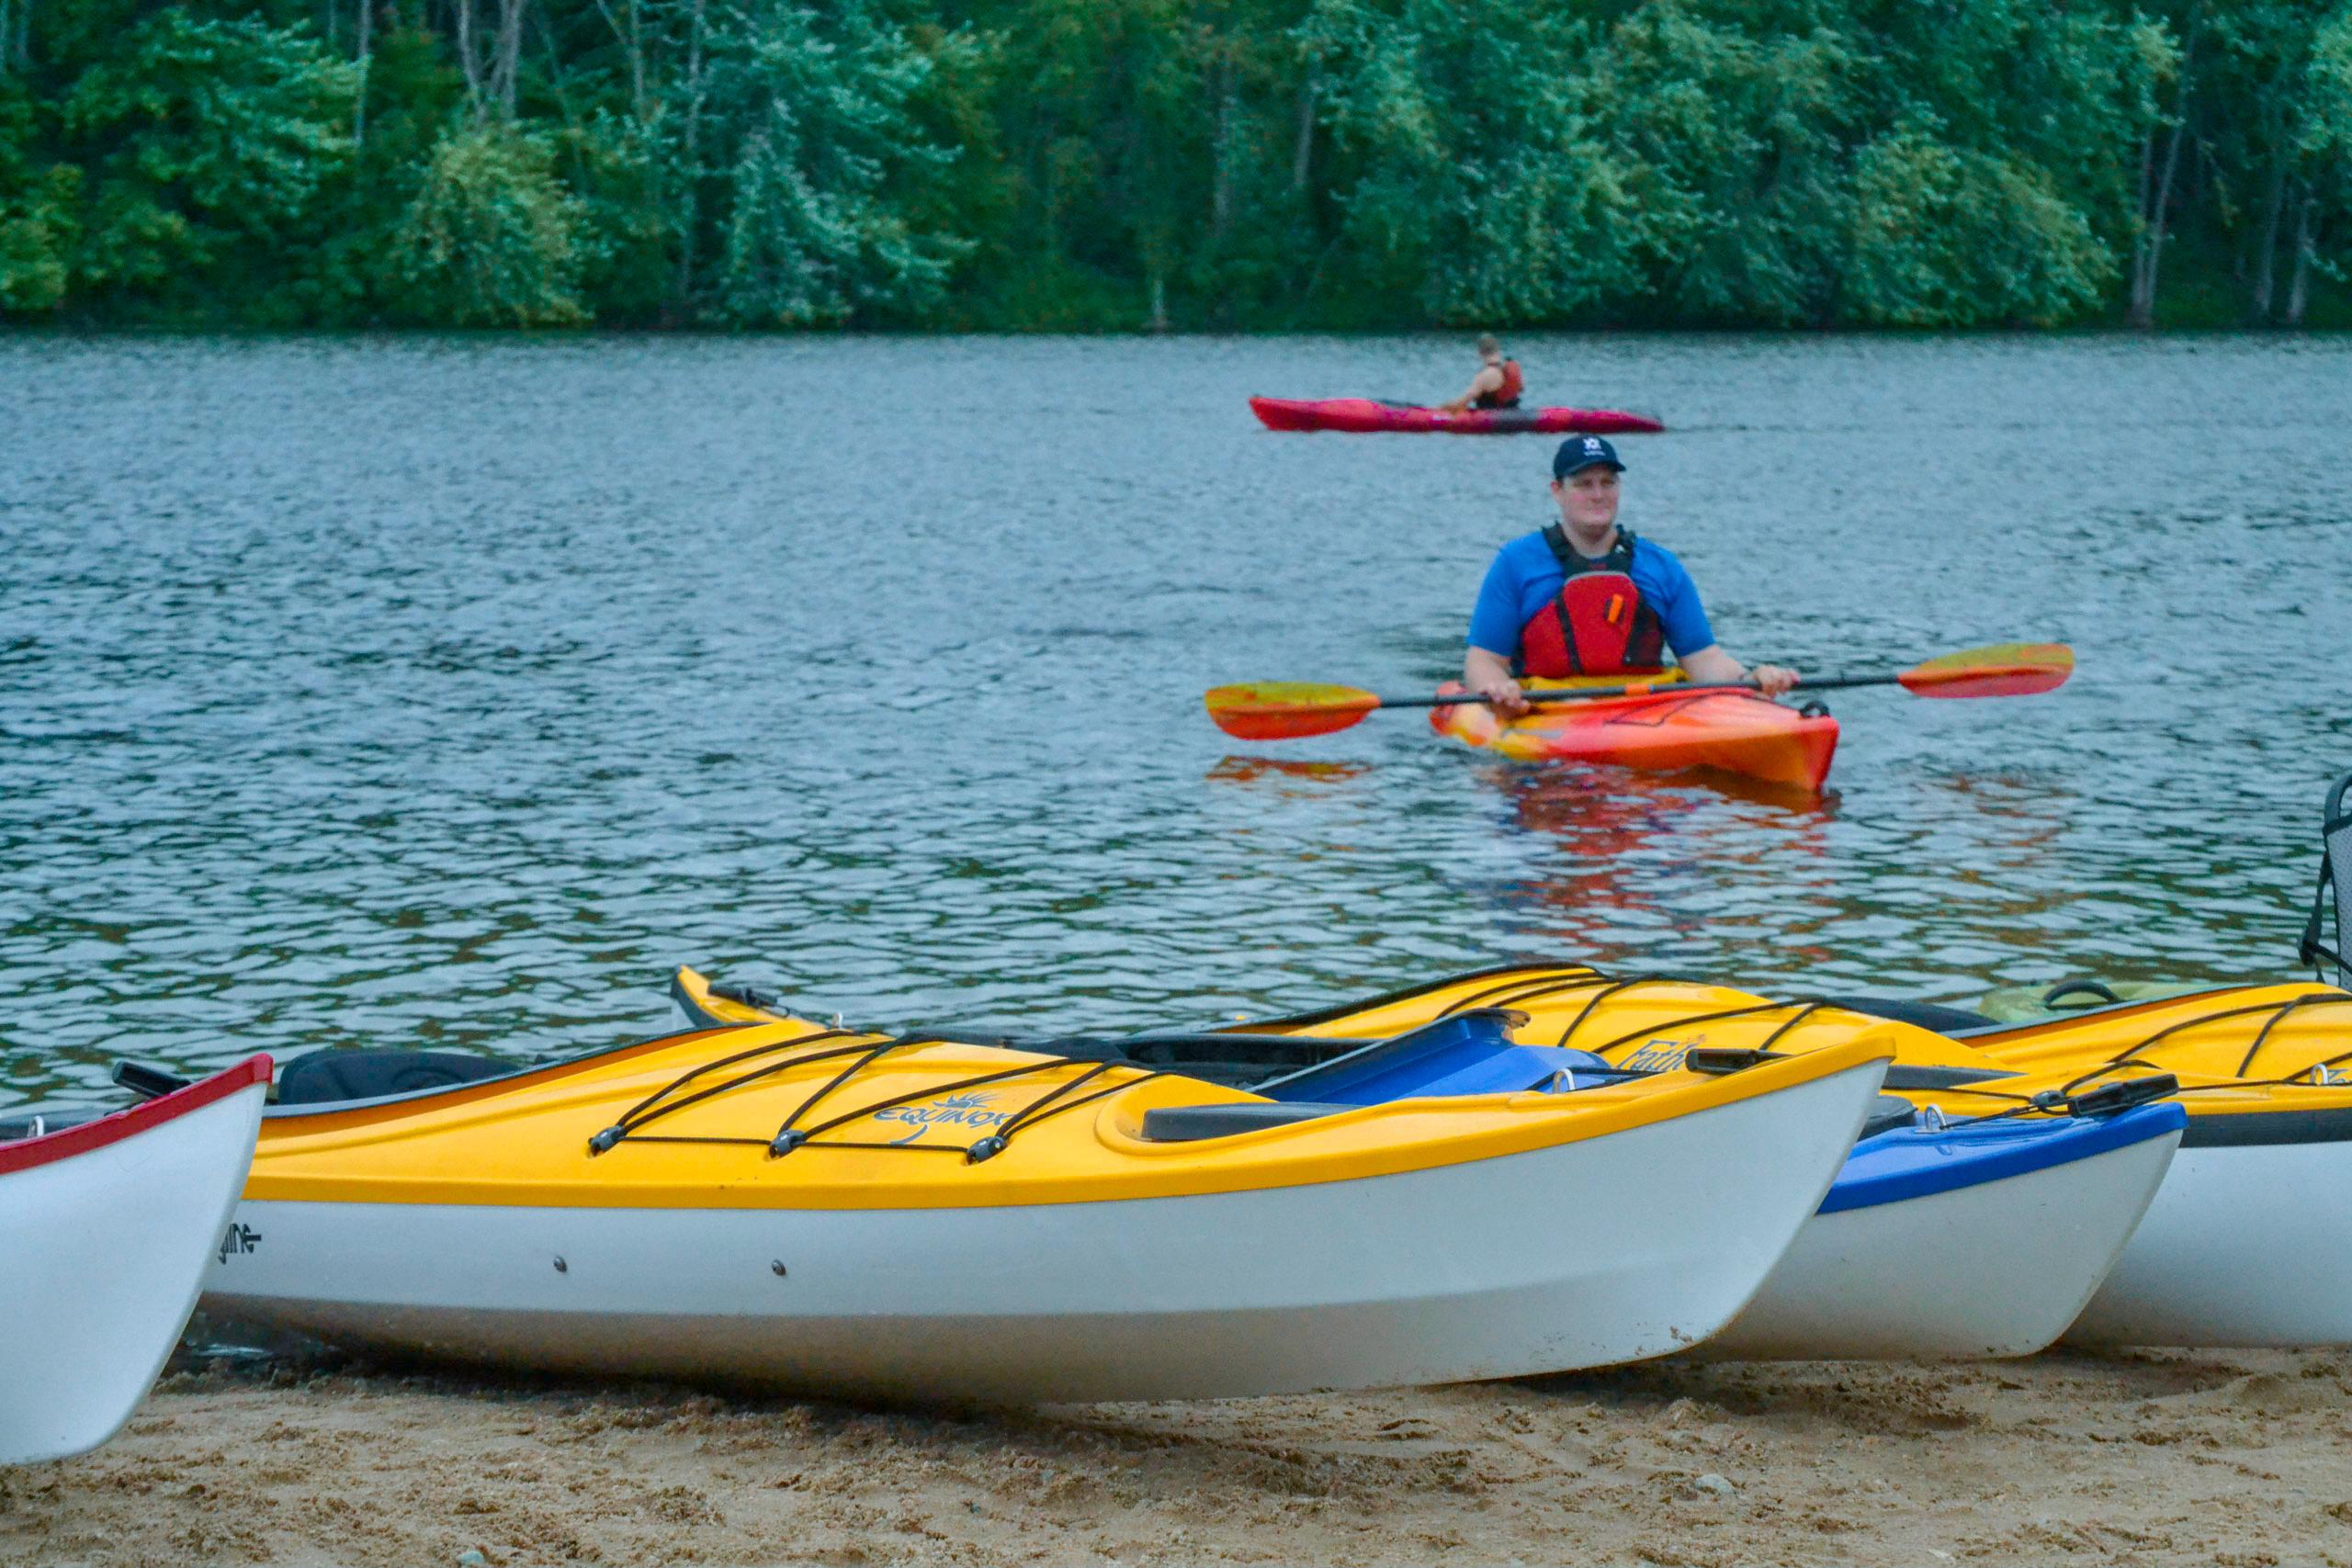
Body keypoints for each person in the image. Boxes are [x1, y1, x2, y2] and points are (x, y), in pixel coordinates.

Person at [1463, 435, 1799, 717]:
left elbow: (1703, 659)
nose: (1598, 494)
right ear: (1557, 490)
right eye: (1584, 484)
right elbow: (1484, 659)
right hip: (1550, 710)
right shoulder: (1516, 563)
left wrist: (1751, 679)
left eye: (1608, 483)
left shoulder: (1660, 565)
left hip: (1645, 707)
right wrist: (1496, 688)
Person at [1441, 334, 1523, 412]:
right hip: (1514, 416)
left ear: (1480, 352)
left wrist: (1442, 408)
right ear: (1498, 350)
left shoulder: (1485, 375)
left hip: (1491, 421)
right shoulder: (1511, 369)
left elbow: (1462, 403)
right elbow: (1521, 388)